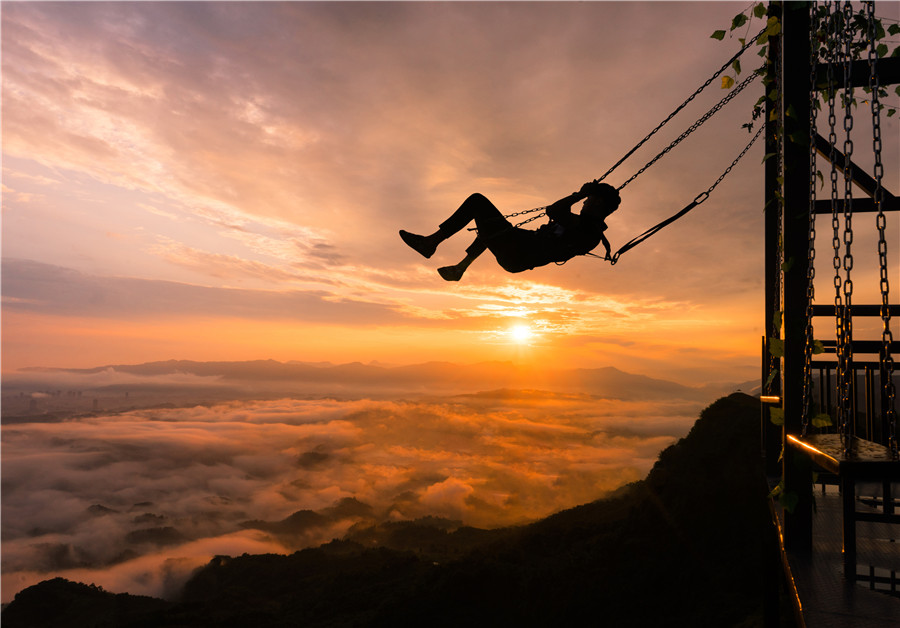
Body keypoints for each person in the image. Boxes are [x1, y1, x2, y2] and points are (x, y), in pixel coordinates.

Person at [399, 181, 620, 281]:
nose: (584, 203)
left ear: (598, 204)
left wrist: (579, 194)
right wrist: (582, 195)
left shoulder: (586, 229)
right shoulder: (586, 228)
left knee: (477, 202)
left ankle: (431, 243)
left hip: (519, 251)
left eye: (589, 200)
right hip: (519, 251)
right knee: (489, 226)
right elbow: (557, 214)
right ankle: (459, 268)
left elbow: (553, 210)